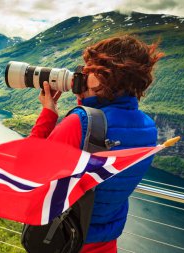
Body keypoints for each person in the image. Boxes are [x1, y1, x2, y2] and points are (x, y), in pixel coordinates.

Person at [28, 34, 164, 252]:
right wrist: (87, 100)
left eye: (88, 69)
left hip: (66, 241)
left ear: (101, 76)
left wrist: (48, 114)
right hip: (107, 243)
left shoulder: (81, 123)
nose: (81, 74)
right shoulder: (148, 128)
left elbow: (28, 169)